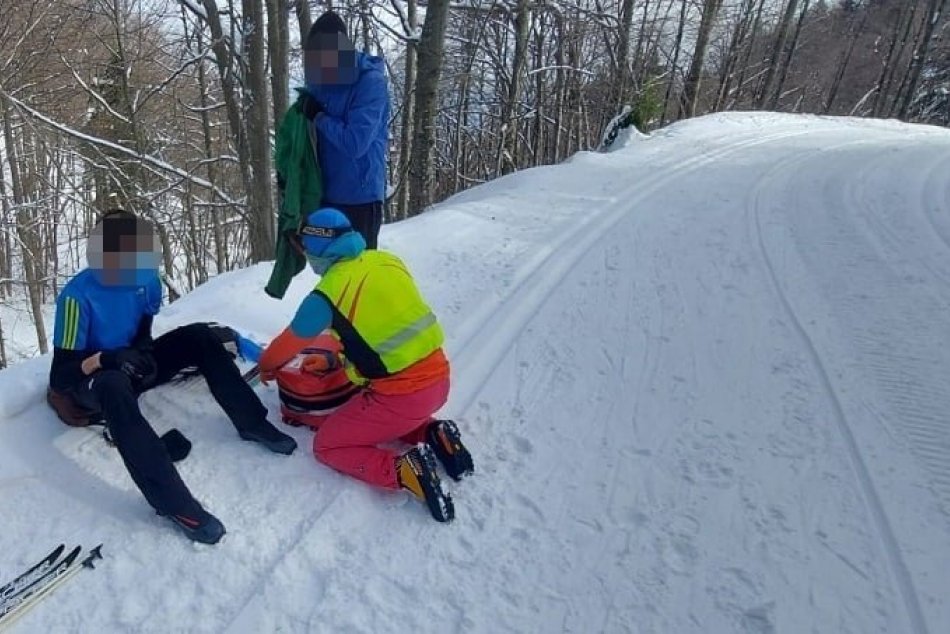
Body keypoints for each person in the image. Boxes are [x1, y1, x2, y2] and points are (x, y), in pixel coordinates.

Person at [47, 210, 297, 544]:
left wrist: (144, 354)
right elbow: (61, 376)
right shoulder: (77, 296)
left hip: (129, 366)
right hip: (91, 381)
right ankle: (174, 504)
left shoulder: (147, 280)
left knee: (200, 337)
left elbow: (143, 329)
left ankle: (252, 423)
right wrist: (109, 358)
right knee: (112, 384)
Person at [258, 208, 473, 522]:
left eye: (304, 248)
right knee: (394, 415)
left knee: (328, 445)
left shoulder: (327, 294)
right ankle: (434, 433)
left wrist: (266, 366)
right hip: (439, 380)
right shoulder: (385, 260)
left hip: (401, 397)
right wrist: (335, 359)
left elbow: (284, 346)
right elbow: (380, 333)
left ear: (315, 247)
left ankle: (405, 470)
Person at [299, 10, 389, 249]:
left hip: (361, 200)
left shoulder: (370, 83)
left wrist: (319, 117)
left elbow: (355, 143)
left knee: (359, 276)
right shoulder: (320, 81)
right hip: (327, 196)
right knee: (330, 272)